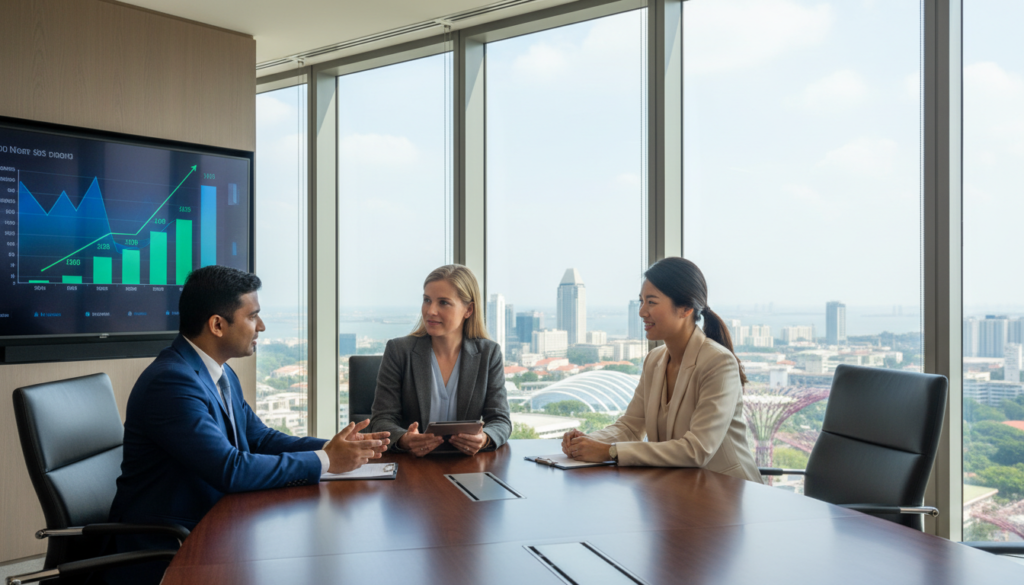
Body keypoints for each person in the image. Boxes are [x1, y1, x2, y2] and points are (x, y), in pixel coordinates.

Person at [108, 265, 389, 584]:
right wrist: (326, 460)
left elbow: (260, 439)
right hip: (172, 544)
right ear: (217, 325)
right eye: (253, 316)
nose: (262, 326)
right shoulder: (172, 382)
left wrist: (335, 448)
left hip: (221, 525)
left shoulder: (220, 373)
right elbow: (230, 469)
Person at [562, 257, 762, 483]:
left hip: (727, 490)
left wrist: (610, 452)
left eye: (652, 302)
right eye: (641, 301)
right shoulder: (654, 360)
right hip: (681, 489)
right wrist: (587, 442)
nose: (641, 312)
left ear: (686, 308)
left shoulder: (718, 363)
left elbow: (697, 449)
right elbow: (630, 426)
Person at [369, 265, 511, 456]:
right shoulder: (399, 351)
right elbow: (382, 419)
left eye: (443, 302)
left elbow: (500, 420)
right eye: (427, 300)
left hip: (467, 467)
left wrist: (484, 439)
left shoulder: (488, 353)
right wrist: (404, 439)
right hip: (410, 468)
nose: (430, 311)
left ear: (468, 309)